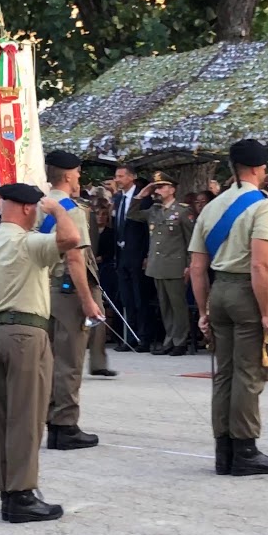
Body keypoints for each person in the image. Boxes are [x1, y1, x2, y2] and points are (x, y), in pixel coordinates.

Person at [0, 184, 80, 523]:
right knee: (27, 417)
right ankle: (22, 495)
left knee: (2, 417)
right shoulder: (29, 244)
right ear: (30, 209)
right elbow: (71, 240)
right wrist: (60, 211)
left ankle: (6, 489)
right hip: (26, 334)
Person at [188, 139, 268, 477]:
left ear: (232, 169)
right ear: (260, 170)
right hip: (248, 292)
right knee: (248, 372)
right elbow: (261, 265)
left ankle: (224, 450)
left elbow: (197, 268)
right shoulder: (264, 205)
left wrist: (203, 311)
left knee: (225, 373)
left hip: (218, 290)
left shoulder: (211, 207)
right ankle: (245, 449)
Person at [37, 151, 103, 450]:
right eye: (77, 173)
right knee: (69, 361)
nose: (79, 179)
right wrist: (88, 300)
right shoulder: (71, 211)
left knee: (49, 359)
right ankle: (65, 426)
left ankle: (51, 419)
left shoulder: (38, 207)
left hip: (44, 289)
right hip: (67, 292)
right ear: (67, 175)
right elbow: (76, 259)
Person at [130, 171, 194, 356]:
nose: (158, 190)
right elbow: (132, 215)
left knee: (177, 305)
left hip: (175, 264)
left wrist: (189, 265)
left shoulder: (183, 211)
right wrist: (141, 195)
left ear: (172, 189)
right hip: (157, 264)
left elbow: (190, 240)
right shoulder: (154, 210)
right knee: (164, 305)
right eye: (156, 187)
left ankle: (180, 340)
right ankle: (169, 339)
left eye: (162, 186)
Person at [112, 166, 155, 352]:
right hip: (122, 254)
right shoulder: (119, 198)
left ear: (132, 177)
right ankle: (130, 336)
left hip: (138, 253)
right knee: (126, 298)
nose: (118, 179)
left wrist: (147, 254)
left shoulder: (143, 199)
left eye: (121, 176)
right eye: (116, 176)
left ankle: (144, 337)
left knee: (140, 297)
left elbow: (147, 229)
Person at [86, 196, 118, 378]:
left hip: (91, 273)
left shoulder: (84, 211)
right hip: (65, 272)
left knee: (98, 318)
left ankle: (99, 363)